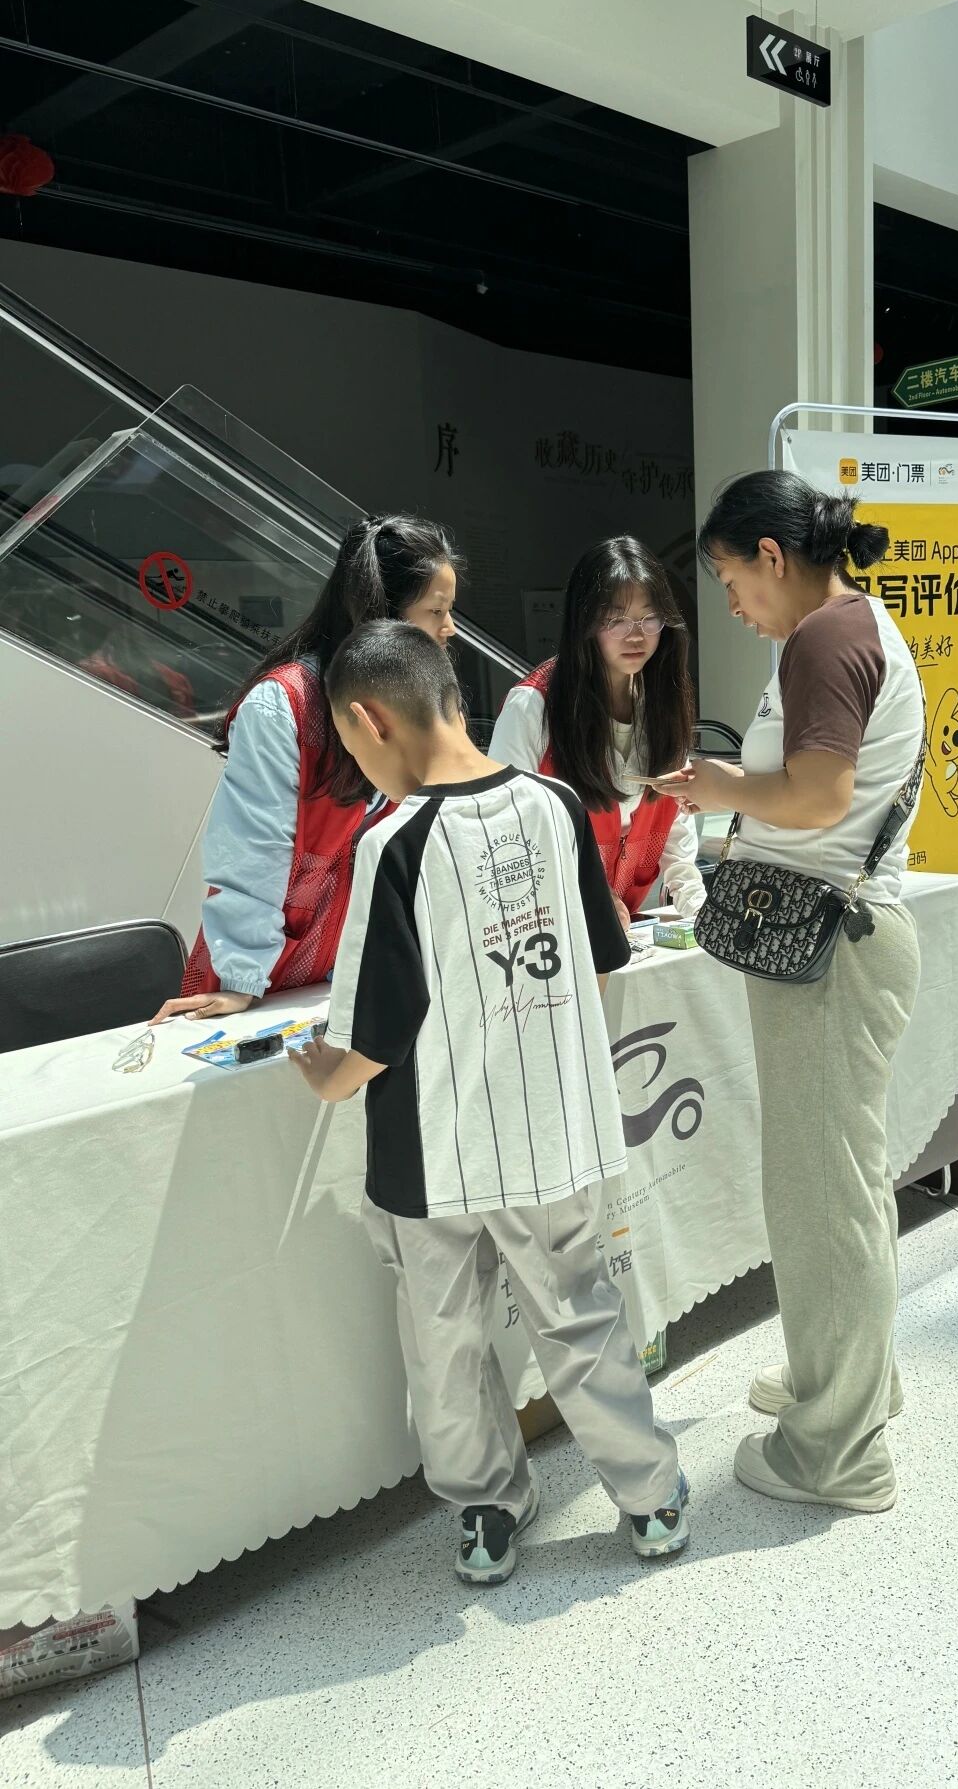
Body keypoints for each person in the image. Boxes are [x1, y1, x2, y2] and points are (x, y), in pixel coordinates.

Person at [288, 620, 689, 1584]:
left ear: (368, 720)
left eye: (350, 747)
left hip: (432, 1152)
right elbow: (601, 955)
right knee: (581, 1317)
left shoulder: (394, 843)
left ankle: (486, 1508)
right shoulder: (556, 803)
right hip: (552, 1129)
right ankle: (651, 1499)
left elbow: (368, 1041)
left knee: (446, 1338)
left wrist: (320, 1071)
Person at [653, 470, 925, 1515]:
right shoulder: (850, 627)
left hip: (831, 951)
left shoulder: (823, 637)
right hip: (844, 939)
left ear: (772, 556)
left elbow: (818, 795)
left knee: (821, 1198)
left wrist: (722, 788)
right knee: (838, 1186)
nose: (731, 604)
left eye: (732, 580)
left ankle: (839, 1452)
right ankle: (846, 1383)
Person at [151, 515, 460, 1026]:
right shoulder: (284, 704)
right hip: (264, 970)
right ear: (384, 614)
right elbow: (253, 851)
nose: (449, 629)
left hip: (352, 969)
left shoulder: (416, 699)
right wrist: (241, 978)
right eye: (436, 611)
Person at [488, 537, 706, 927]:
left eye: (650, 618)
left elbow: (674, 824)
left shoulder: (663, 701)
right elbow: (504, 828)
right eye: (616, 620)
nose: (636, 635)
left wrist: (698, 906)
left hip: (625, 923)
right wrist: (585, 892)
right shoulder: (534, 706)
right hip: (549, 925)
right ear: (585, 622)